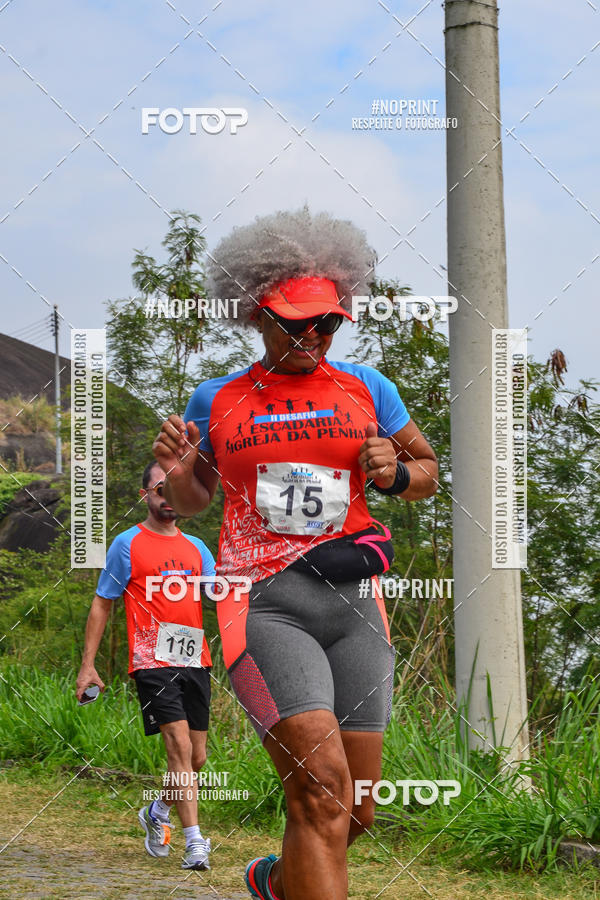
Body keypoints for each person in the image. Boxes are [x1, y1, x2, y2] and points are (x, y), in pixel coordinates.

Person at [152, 208, 438, 899]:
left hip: (355, 605)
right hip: (262, 602)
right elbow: (189, 503)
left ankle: (276, 882)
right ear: (256, 315)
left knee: (355, 811)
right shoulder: (217, 398)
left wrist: (394, 472)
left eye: (328, 322)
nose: (314, 335)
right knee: (320, 789)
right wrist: (185, 469)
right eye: (297, 321)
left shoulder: (368, 388)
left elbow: (426, 472)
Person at [75, 460, 215, 871]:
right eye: (159, 489)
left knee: (197, 757)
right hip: (151, 658)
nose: (167, 497)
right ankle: (194, 842)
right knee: (178, 744)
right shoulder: (126, 544)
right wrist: (88, 665)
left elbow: (219, 598)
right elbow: (103, 602)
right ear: (145, 495)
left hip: (194, 657)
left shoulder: (198, 549)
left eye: (174, 489)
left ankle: (156, 810)